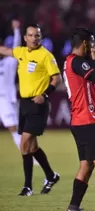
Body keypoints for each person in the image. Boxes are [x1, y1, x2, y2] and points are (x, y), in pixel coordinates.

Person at [0, 23, 62, 196]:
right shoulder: (21, 52)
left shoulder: (46, 55)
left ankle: (27, 186)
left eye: (37, 36)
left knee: (24, 143)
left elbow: (57, 78)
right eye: (31, 35)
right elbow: (4, 50)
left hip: (38, 104)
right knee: (32, 147)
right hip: (24, 104)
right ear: (26, 38)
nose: (34, 38)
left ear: (40, 38)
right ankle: (51, 175)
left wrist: (45, 94)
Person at [63, 28, 95, 211]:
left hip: (78, 121)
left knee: (86, 166)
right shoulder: (77, 62)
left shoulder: (70, 62)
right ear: (85, 43)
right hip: (87, 121)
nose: (93, 47)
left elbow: (84, 88)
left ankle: (73, 207)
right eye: (91, 43)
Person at [0, 20, 39, 165]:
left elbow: (17, 48)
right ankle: (29, 153)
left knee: (19, 128)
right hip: (2, 101)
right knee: (14, 128)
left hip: (9, 99)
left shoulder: (9, 62)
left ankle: (30, 153)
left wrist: (16, 31)